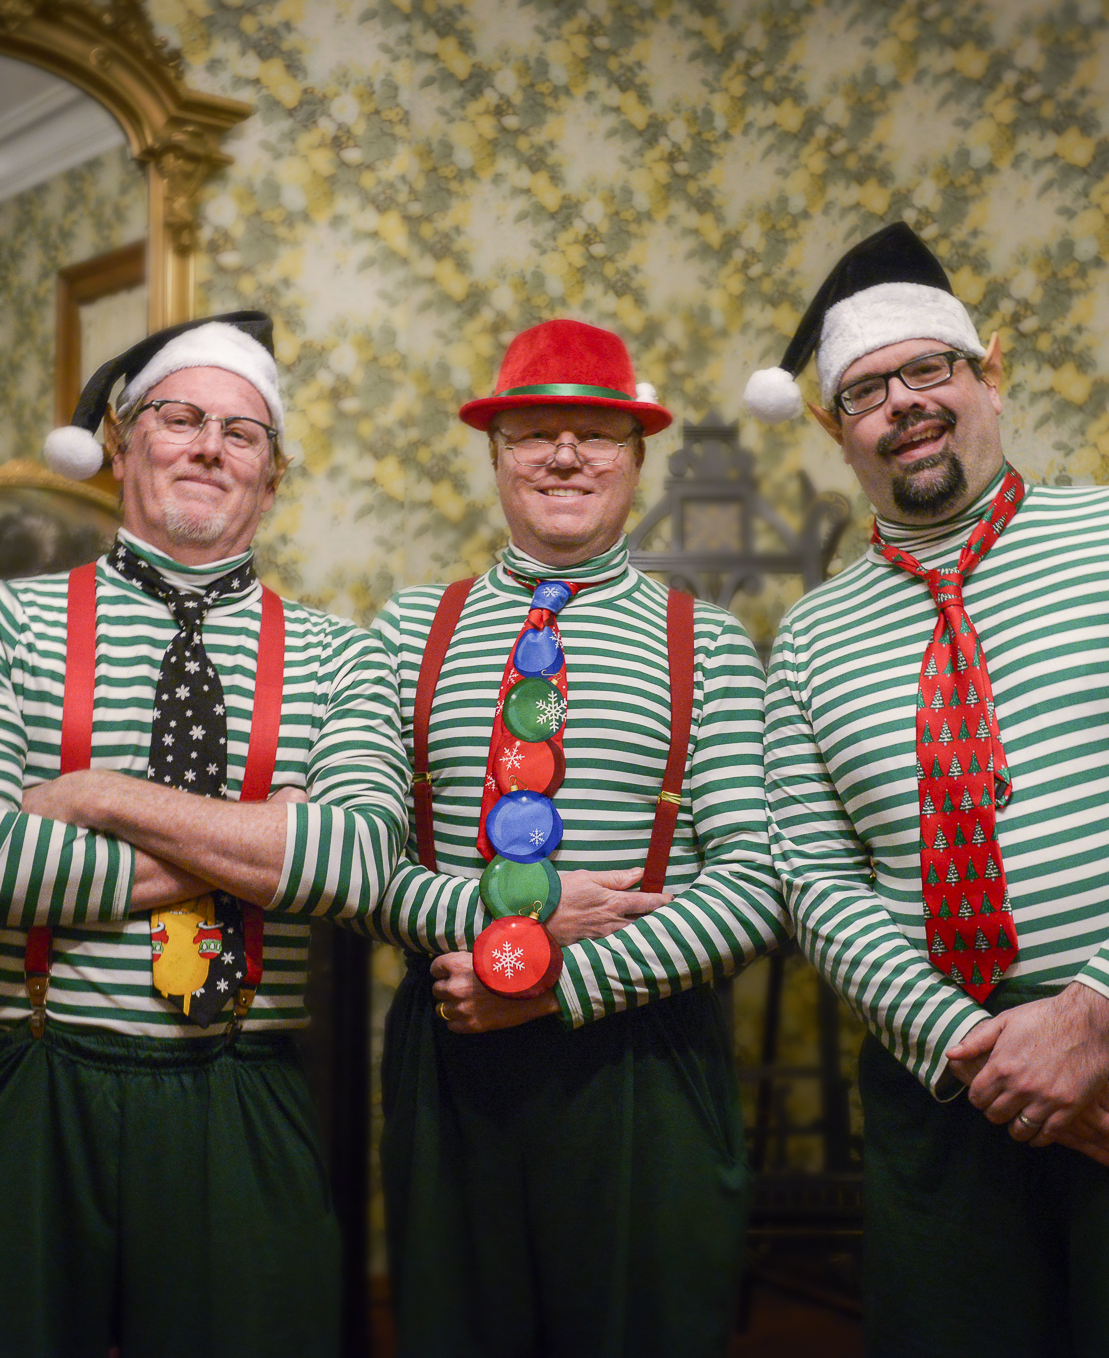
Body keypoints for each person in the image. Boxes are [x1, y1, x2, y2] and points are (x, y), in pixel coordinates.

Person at [747, 224, 1109, 1356]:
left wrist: (1089, 1010)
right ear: (834, 430)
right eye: (867, 389)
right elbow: (813, 877)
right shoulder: (811, 638)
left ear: (991, 377)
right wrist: (980, 1052)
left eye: (931, 369)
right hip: (948, 1090)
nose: (903, 403)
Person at [0, 312, 408, 1358]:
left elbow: (358, 866)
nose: (207, 445)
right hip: (20, 1078)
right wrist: (261, 843)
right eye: (179, 416)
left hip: (237, 1085)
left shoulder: (342, 657)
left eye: (241, 433)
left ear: (272, 477)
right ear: (120, 441)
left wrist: (98, 792)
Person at [369, 319, 786, 1358]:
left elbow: (754, 882)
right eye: (534, 432)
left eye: (596, 433)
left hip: (645, 1050)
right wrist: (491, 934)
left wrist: (561, 980)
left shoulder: (711, 642)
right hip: (451, 1030)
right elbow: (357, 861)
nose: (565, 455)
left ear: (637, 458)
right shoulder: (407, 630)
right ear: (496, 454)